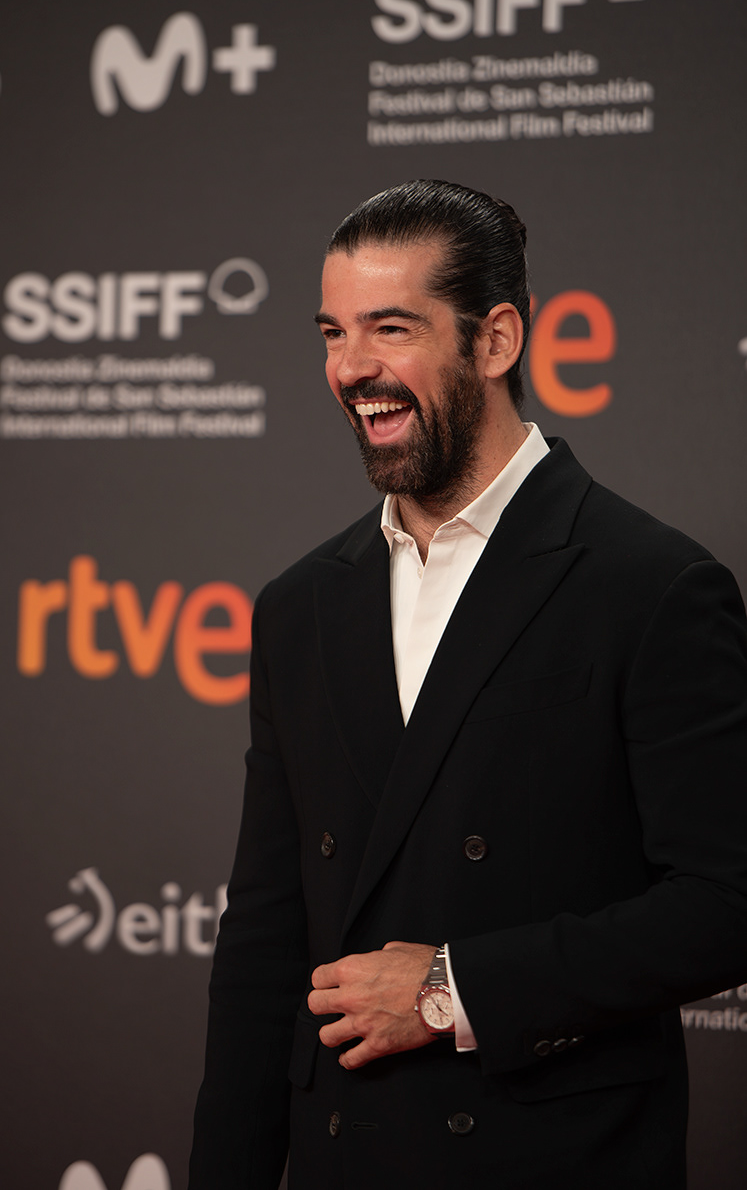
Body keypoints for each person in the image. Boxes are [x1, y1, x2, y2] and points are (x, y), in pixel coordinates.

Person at [188, 180, 747, 1189]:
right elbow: (266, 936)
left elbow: (726, 900)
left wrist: (451, 989)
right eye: (332, 333)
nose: (350, 367)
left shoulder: (650, 584)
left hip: (551, 1159)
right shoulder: (299, 606)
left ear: (495, 341)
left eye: (390, 328)